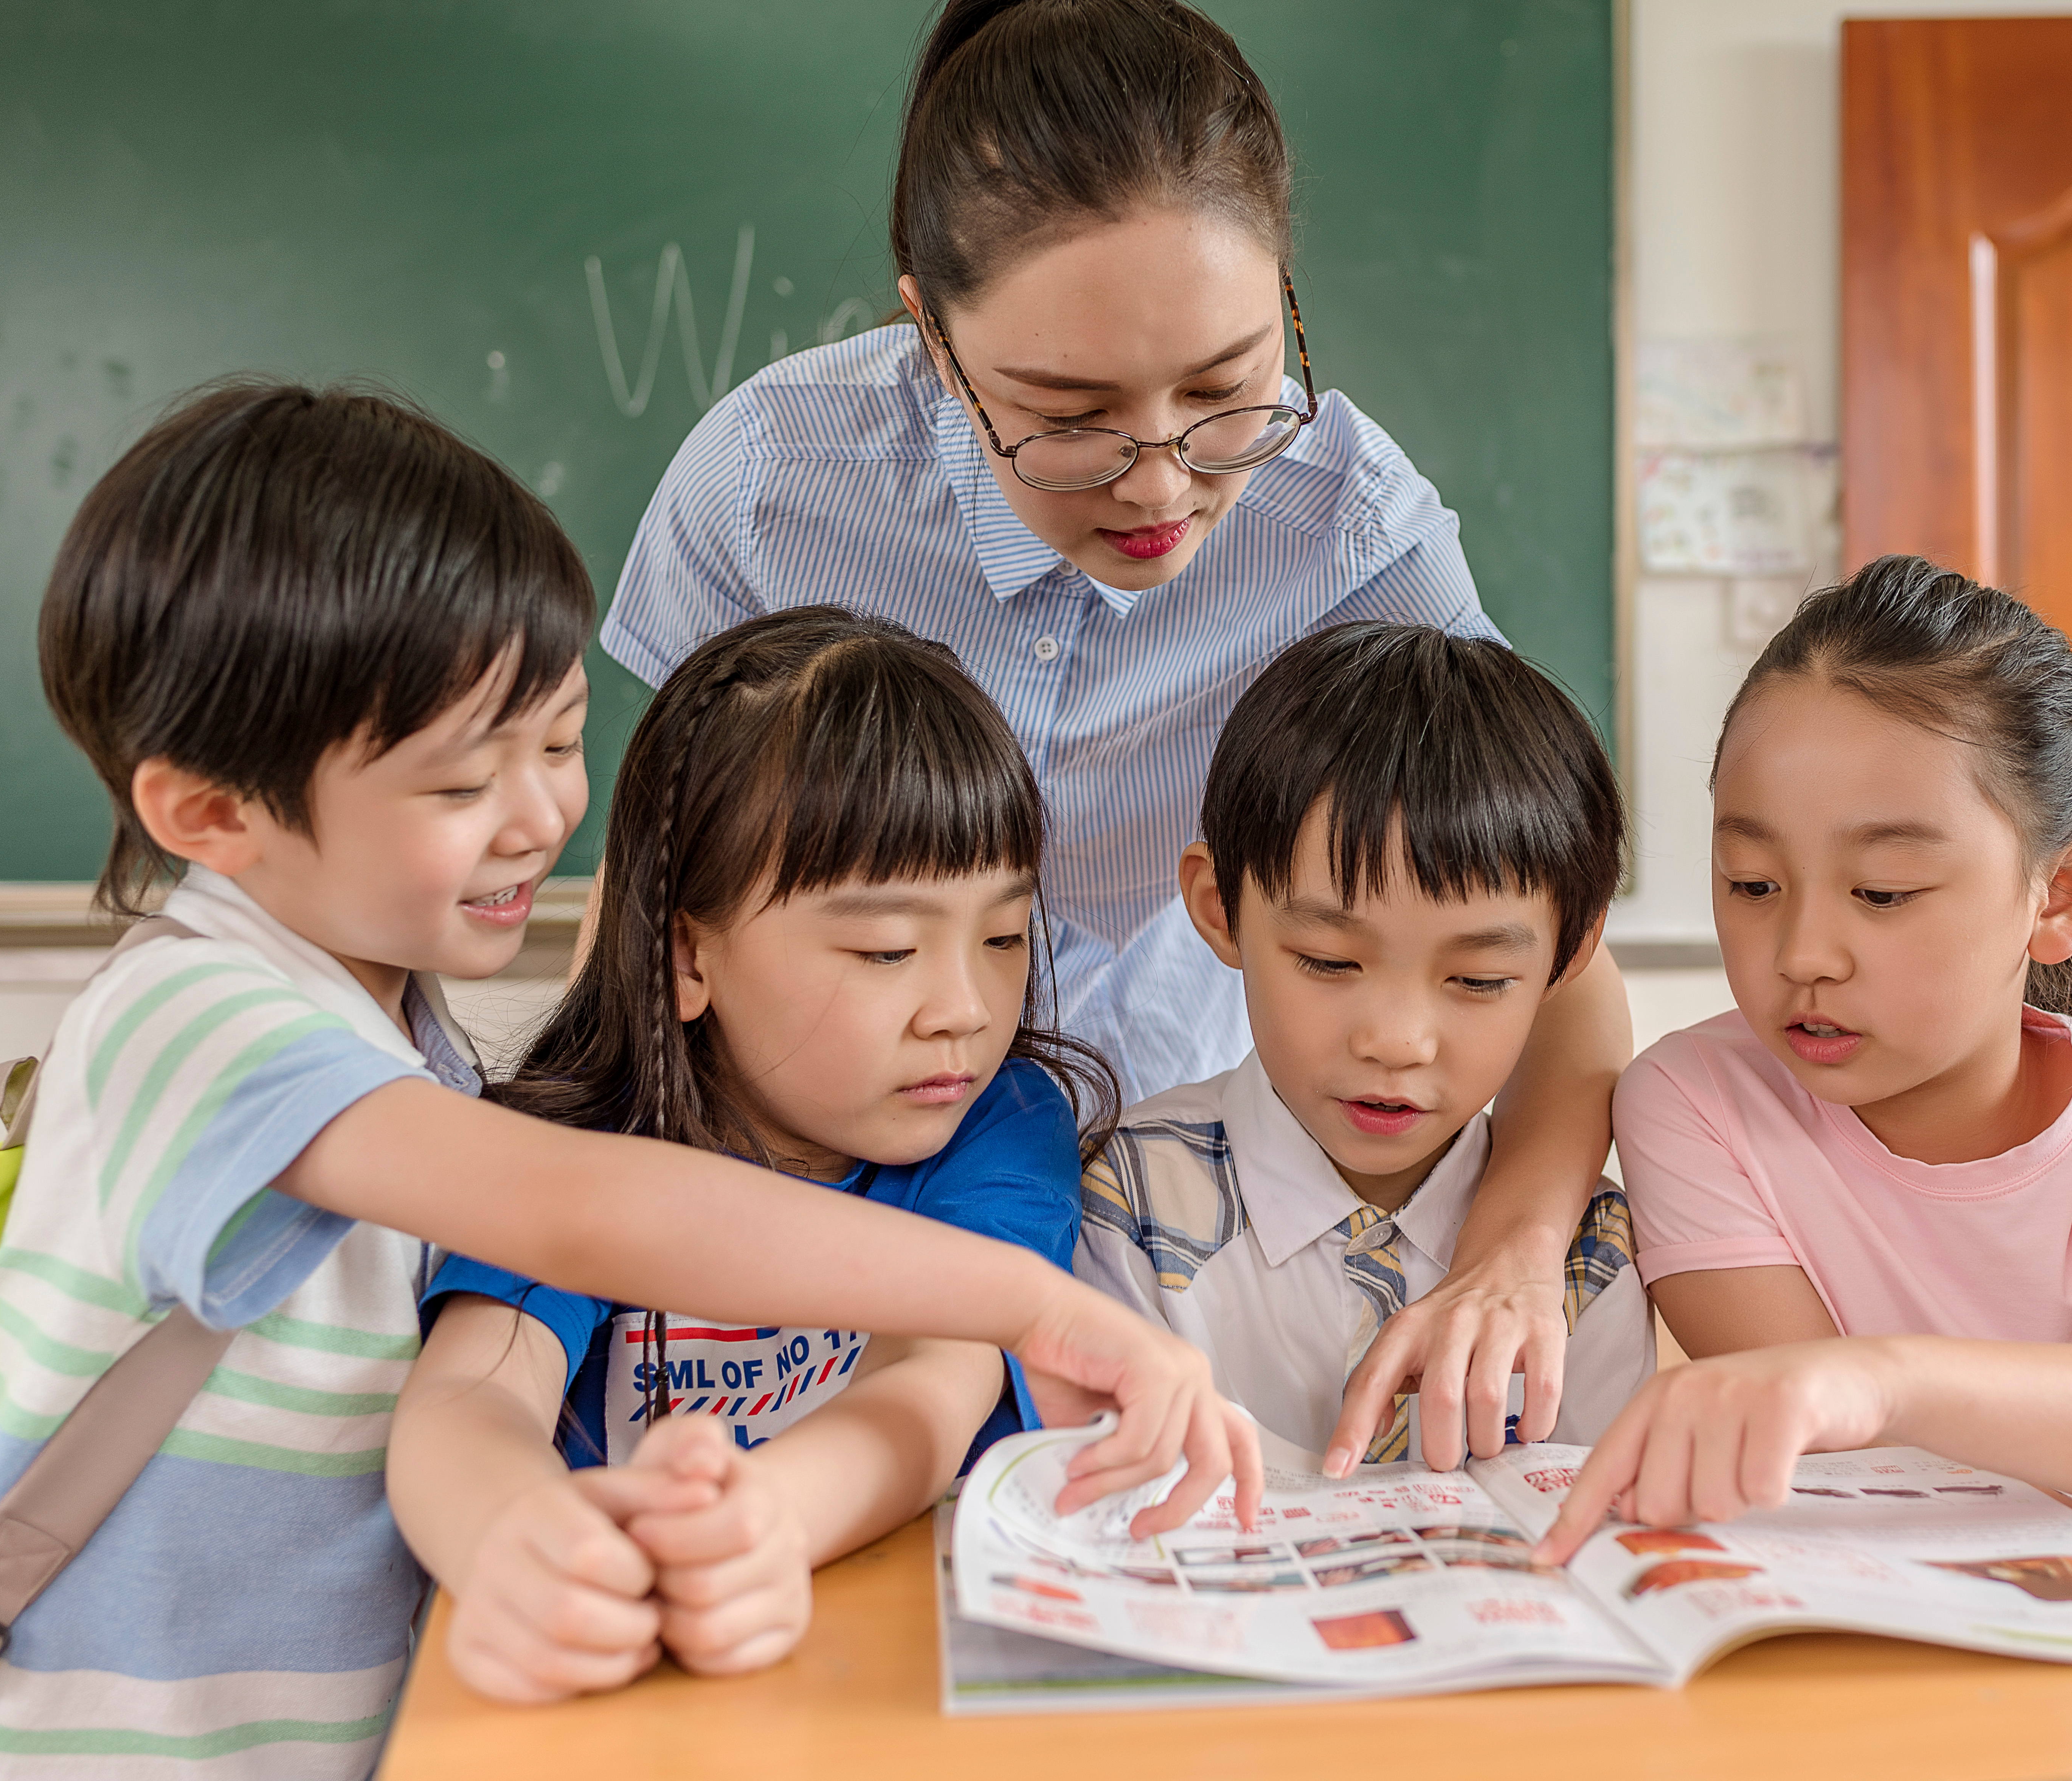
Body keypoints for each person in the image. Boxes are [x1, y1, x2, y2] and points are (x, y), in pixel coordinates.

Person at [0, 382, 1255, 1780]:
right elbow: (575, 1214)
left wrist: (551, 1543)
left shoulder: (396, 1029)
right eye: (457, 783)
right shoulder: (193, 1015)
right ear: (212, 812)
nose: (547, 815)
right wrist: (1040, 1303)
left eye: (555, 741)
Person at [600, 0, 1632, 1466]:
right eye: (1068, 415)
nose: (1163, 482)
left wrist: (1519, 1249)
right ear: (933, 339)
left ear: (1286, 301)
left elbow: (1538, 925)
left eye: (1226, 392)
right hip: (829, 1162)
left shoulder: (1344, 515)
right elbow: (664, 896)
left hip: (1203, 1166)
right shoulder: (771, 481)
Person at [1535, 556, 2072, 1567]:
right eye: (1752, 884)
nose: (1803, 955)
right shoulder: (1695, 1104)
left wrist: (1881, 1380)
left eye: (1882, 891)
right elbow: (1857, 1486)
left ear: (2057, 898)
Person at [390, 608, 1120, 1703]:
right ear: (689, 953)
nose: (966, 1010)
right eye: (885, 949)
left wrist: (756, 1523)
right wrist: (519, 1539)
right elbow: (468, 1403)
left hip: (886, 1693)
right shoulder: (574, 1153)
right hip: (626, 1694)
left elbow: (934, 1381)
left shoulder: (999, 1121)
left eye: (1007, 937)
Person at [1077, 624, 1654, 1466]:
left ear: (1568, 954)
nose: (1396, 1042)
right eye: (1328, 961)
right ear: (1217, 907)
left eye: (1480, 979)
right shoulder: (1131, 1201)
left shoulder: (1588, 1259)